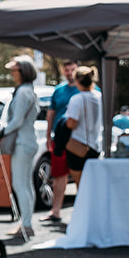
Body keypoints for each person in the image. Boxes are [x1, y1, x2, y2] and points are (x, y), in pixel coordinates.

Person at [0, 55, 40, 240]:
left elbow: (17, 120)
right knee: (26, 183)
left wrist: (3, 132)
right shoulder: (28, 91)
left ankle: (25, 224)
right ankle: (26, 222)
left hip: (22, 141)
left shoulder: (23, 92)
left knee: (20, 184)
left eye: (14, 71)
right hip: (28, 140)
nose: (12, 74)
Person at [42, 59, 79, 226]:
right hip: (60, 139)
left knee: (80, 175)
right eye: (67, 70)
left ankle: (81, 212)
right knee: (59, 175)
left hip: (79, 139)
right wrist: (48, 135)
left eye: (72, 70)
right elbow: (51, 113)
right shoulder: (59, 90)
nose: (69, 73)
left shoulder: (88, 90)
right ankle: (55, 211)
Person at [64, 65, 103, 182]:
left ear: (77, 81)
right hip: (96, 146)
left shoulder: (77, 99)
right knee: (93, 184)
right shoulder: (99, 96)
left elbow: (71, 123)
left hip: (78, 147)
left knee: (81, 186)